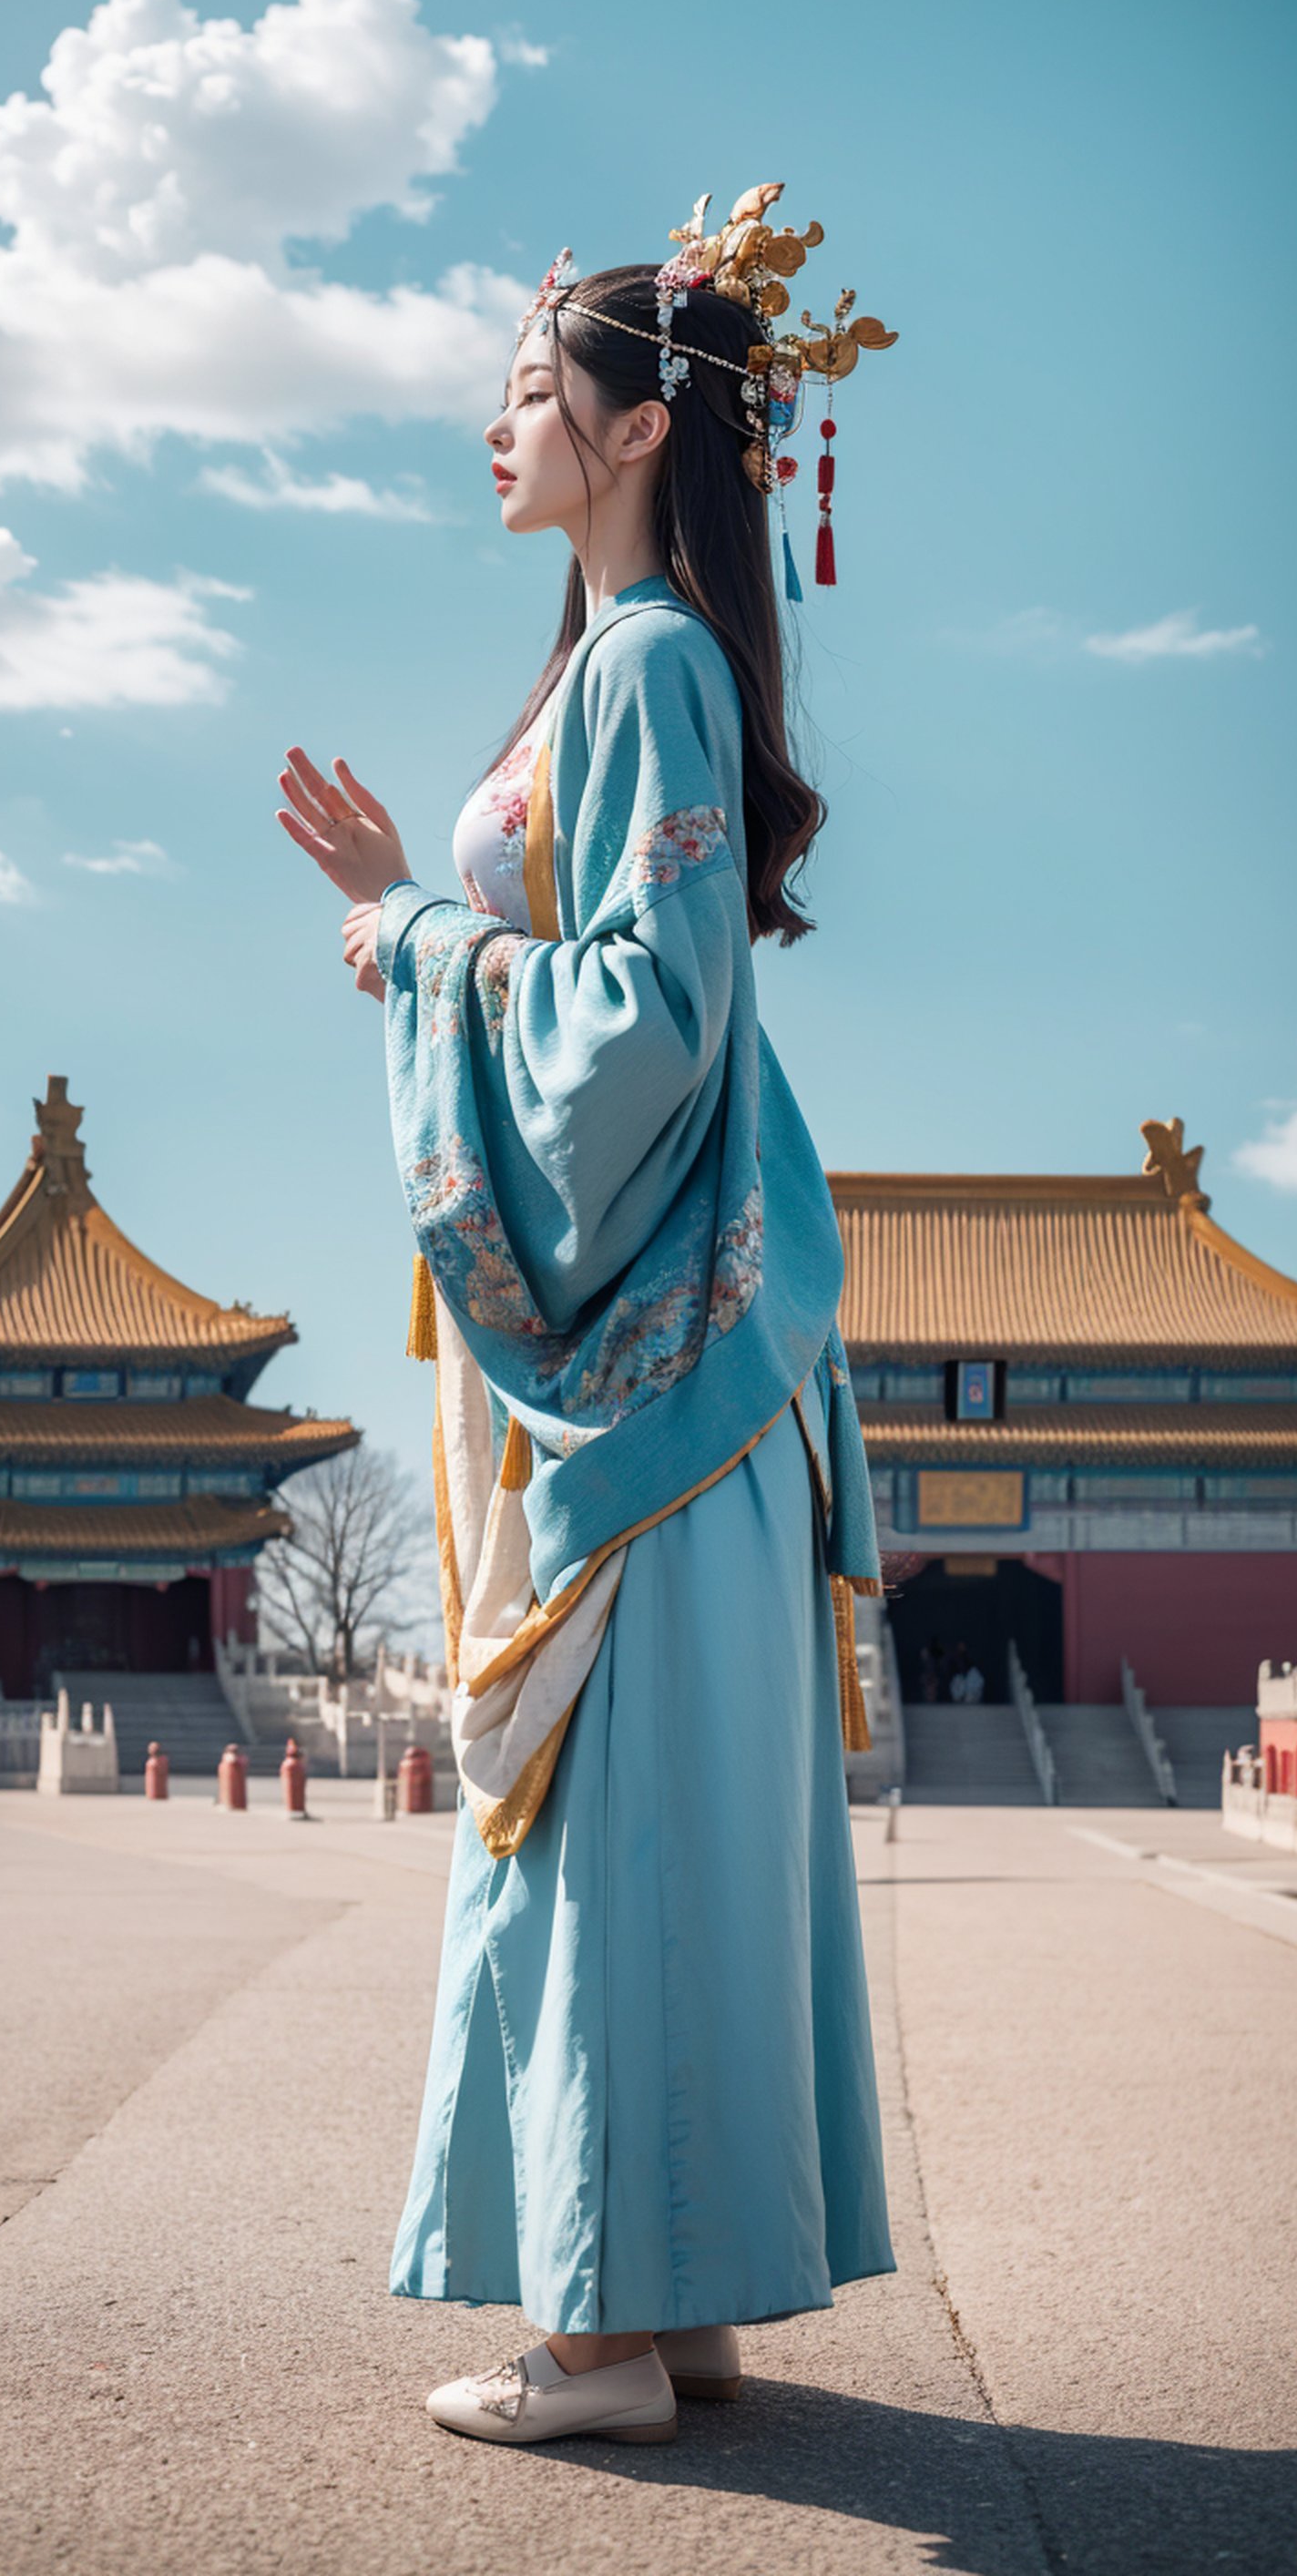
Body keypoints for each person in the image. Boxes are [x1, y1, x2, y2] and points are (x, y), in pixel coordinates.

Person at [277, 189, 896, 2449]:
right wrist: (427, 926)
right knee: (675, 1823)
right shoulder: (645, 667)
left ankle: (599, 2335)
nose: (493, 425)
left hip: (635, 1375)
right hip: (701, 1376)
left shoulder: (642, 669)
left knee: (604, 1825)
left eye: (529, 392)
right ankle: (684, 2294)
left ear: (637, 432)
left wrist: (410, 935)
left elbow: (635, 1029)